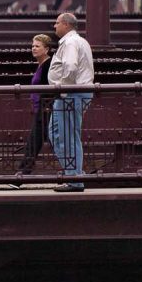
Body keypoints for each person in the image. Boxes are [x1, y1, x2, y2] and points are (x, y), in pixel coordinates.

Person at [48, 12, 94, 192]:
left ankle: (75, 178)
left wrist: (63, 88)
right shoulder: (79, 41)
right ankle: (74, 174)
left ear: (66, 24)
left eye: (57, 23)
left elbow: (71, 66)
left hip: (71, 94)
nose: (54, 26)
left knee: (66, 135)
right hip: (75, 93)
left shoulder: (70, 42)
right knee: (57, 132)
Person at [19, 33, 57, 175]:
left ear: (46, 49)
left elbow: (49, 87)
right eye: (33, 46)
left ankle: (23, 172)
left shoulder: (48, 65)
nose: (33, 48)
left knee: (35, 141)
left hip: (46, 109)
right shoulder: (42, 65)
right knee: (41, 141)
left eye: (37, 46)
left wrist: (45, 107)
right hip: (41, 108)